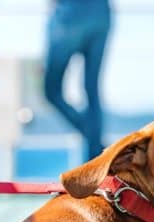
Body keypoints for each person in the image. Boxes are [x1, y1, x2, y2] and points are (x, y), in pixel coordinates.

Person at [44, 0, 111, 161]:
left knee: (51, 90)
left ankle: (95, 143)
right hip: (101, 12)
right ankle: (95, 153)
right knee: (92, 90)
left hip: (70, 13)